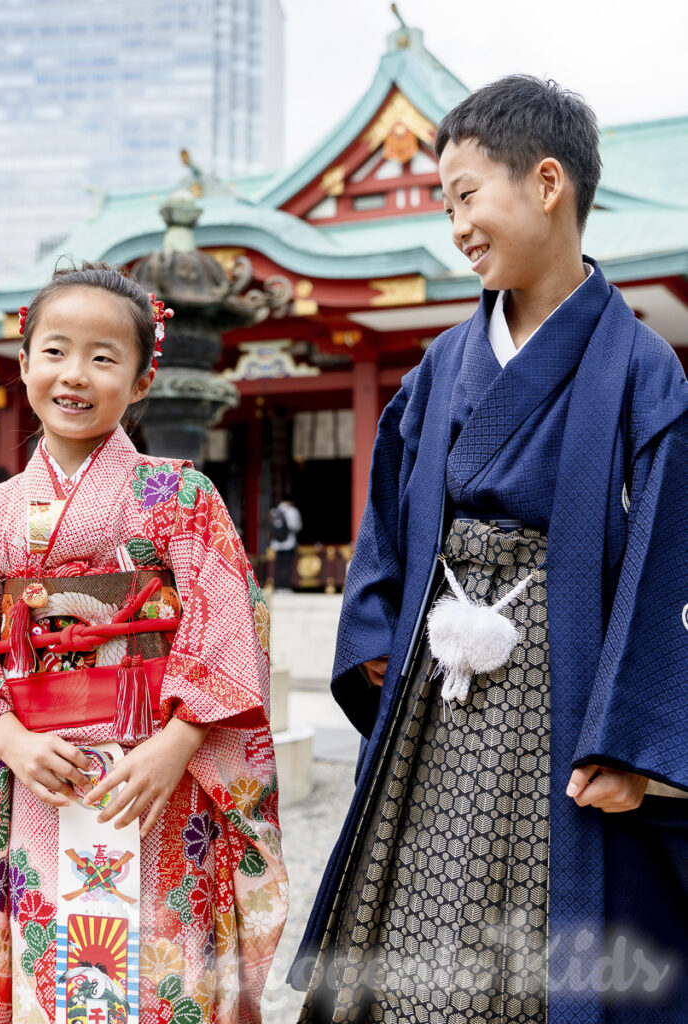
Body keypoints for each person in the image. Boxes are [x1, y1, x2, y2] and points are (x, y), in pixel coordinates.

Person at [291, 77, 688, 1023]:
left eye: (467, 197)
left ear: (547, 183)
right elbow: (392, 517)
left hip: (568, 681)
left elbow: (668, 552)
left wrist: (633, 742)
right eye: (445, 206)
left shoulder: (642, 368)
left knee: (548, 905)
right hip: (437, 678)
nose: (456, 226)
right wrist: (379, 630)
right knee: (417, 888)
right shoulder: (440, 363)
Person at [0, 262, 287, 1023]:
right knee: (48, 966)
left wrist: (181, 742)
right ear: (24, 364)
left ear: (141, 379)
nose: (76, 374)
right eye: (55, 350)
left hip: (158, 773)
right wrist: (8, 738)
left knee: (165, 970)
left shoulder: (182, 497)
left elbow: (230, 620)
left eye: (104, 356)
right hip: (34, 772)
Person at [269, 500, 302, 591]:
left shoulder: (275, 511)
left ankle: (277, 586)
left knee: (278, 565)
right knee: (286, 565)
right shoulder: (293, 511)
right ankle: (285, 586)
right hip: (289, 542)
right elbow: (296, 526)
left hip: (276, 543)